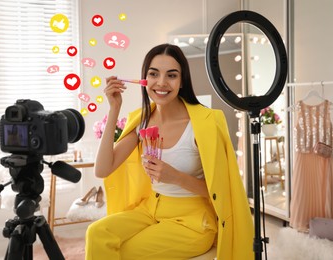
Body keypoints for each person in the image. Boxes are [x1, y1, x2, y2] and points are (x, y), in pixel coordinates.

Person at [85, 43, 254, 259]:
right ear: (144, 79)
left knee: (126, 252)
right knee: (97, 233)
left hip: (193, 220)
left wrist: (174, 177)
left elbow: (223, 191)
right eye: (153, 74)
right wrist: (114, 108)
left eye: (172, 75)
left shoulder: (205, 123)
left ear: (182, 81)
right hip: (151, 208)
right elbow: (102, 169)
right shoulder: (142, 120)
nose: (161, 83)